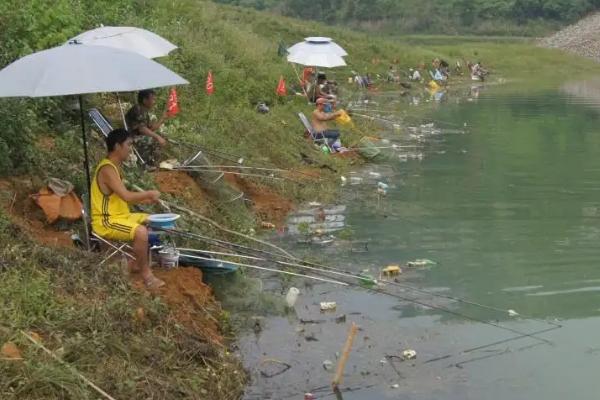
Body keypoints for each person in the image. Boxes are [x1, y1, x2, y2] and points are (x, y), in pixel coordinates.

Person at [91, 128, 165, 289]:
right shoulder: (107, 169)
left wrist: (146, 200)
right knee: (140, 232)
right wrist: (148, 193)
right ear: (117, 146)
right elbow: (126, 196)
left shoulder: (115, 168)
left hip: (120, 216)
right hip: (106, 220)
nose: (131, 149)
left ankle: (137, 261)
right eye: (129, 145)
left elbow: (118, 198)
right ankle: (147, 277)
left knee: (150, 219)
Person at [125, 89, 172, 166]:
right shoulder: (138, 109)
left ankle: (153, 162)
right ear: (145, 100)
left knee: (162, 137)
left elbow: (151, 129)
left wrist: (163, 118)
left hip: (139, 136)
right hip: (131, 137)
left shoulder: (144, 111)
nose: (154, 102)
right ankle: (145, 164)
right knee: (153, 139)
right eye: (152, 99)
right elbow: (142, 129)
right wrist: (157, 137)